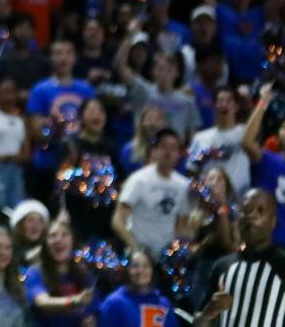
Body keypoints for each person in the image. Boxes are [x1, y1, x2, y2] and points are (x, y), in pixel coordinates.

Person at [193, 189, 285, 327]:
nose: (251, 216)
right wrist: (209, 312)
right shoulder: (223, 266)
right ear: (238, 220)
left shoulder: (282, 263)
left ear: (273, 222)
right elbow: (198, 323)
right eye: (246, 210)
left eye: (260, 211)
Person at [113, 128, 189, 264]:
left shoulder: (183, 185)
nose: (168, 152)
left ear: (179, 154)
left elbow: (182, 224)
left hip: (167, 258)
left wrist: (178, 249)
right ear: (154, 151)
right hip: (140, 256)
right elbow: (118, 220)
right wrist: (136, 249)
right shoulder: (139, 179)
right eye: (163, 146)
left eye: (173, 148)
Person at [97, 249, 172, 327]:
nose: (140, 271)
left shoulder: (162, 304)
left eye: (146, 266)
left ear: (152, 271)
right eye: (135, 266)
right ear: (128, 270)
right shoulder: (114, 303)